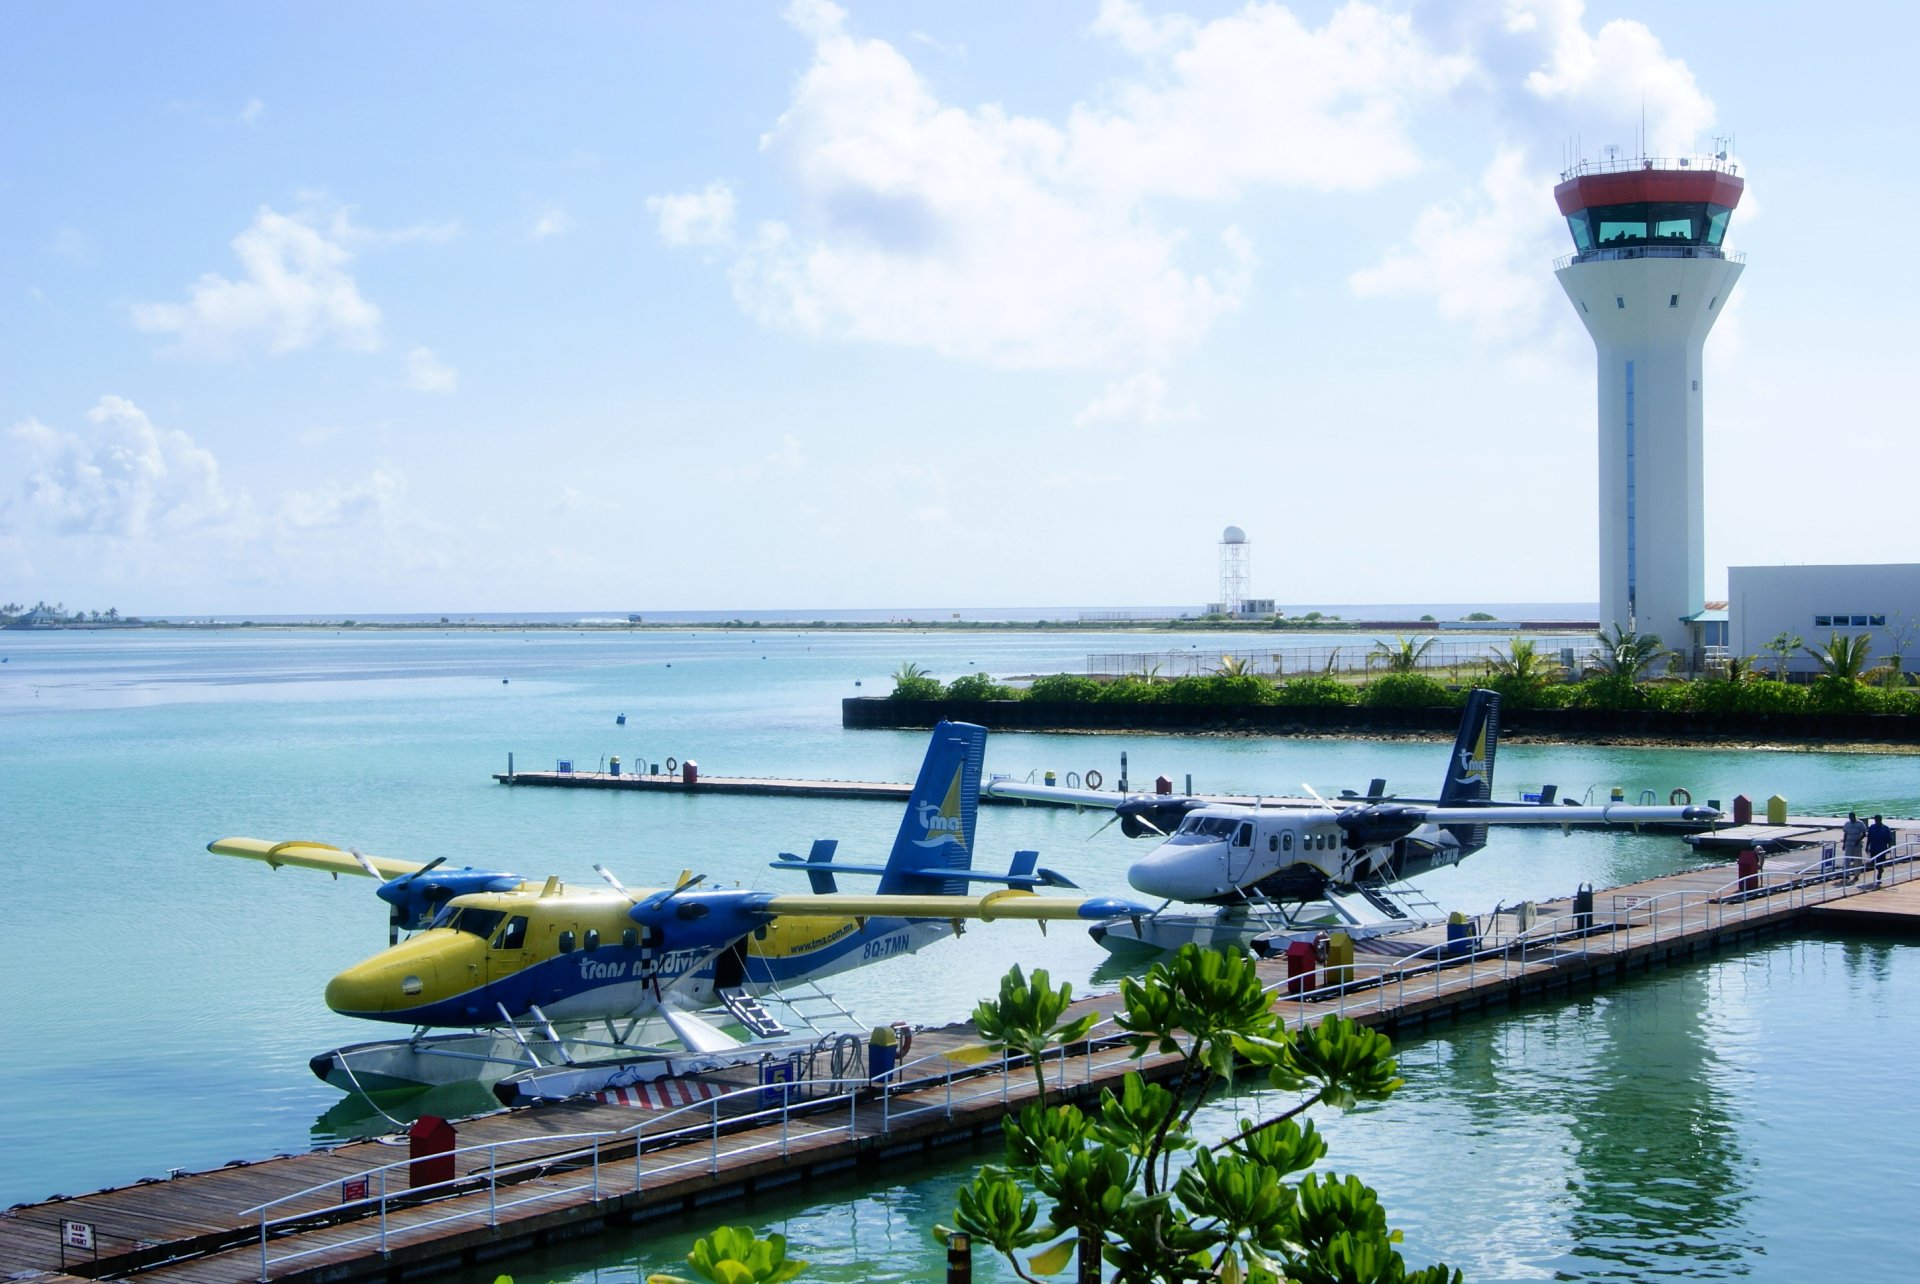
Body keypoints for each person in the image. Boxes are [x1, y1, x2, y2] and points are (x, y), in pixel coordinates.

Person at [1867, 815, 1896, 886]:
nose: (1876, 821)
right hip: (1873, 848)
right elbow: (1869, 837)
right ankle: (1880, 869)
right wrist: (1867, 846)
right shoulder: (1872, 827)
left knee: (1880, 863)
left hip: (1882, 848)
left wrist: (1889, 847)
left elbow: (1889, 839)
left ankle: (1879, 874)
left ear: (1880, 820)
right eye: (1875, 820)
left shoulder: (1885, 828)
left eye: (1877, 820)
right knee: (1873, 862)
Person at [1841, 812, 1868, 884]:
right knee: (1847, 859)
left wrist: (1858, 841)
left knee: (1858, 860)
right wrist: (1844, 844)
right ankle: (1846, 874)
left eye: (1852, 817)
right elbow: (1845, 834)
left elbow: (1864, 834)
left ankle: (1857, 875)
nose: (1851, 818)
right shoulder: (1847, 824)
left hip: (1857, 844)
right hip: (1848, 843)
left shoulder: (1860, 823)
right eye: (1850, 817)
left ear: (1855, 817)